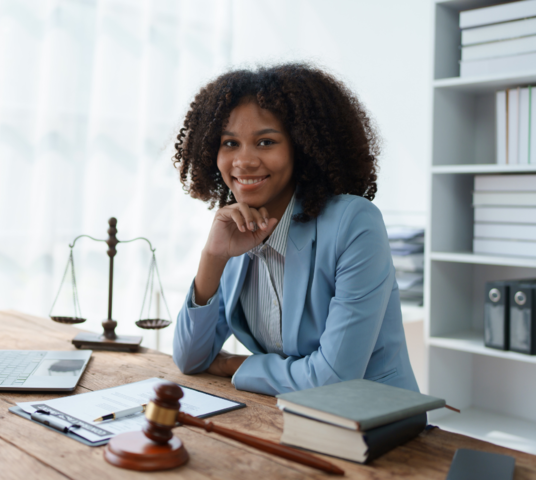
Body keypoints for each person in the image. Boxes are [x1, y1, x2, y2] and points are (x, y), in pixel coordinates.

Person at [171, 63, 419, 396]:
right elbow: (190, 358)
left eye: (265, 142)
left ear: (300, 147)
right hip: (283, 419)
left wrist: (236, 365)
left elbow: (333, 380)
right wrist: (213, 257)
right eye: (230, 143)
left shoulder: (354, 224)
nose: (243, 161)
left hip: (376, 425)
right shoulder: (234, 232)